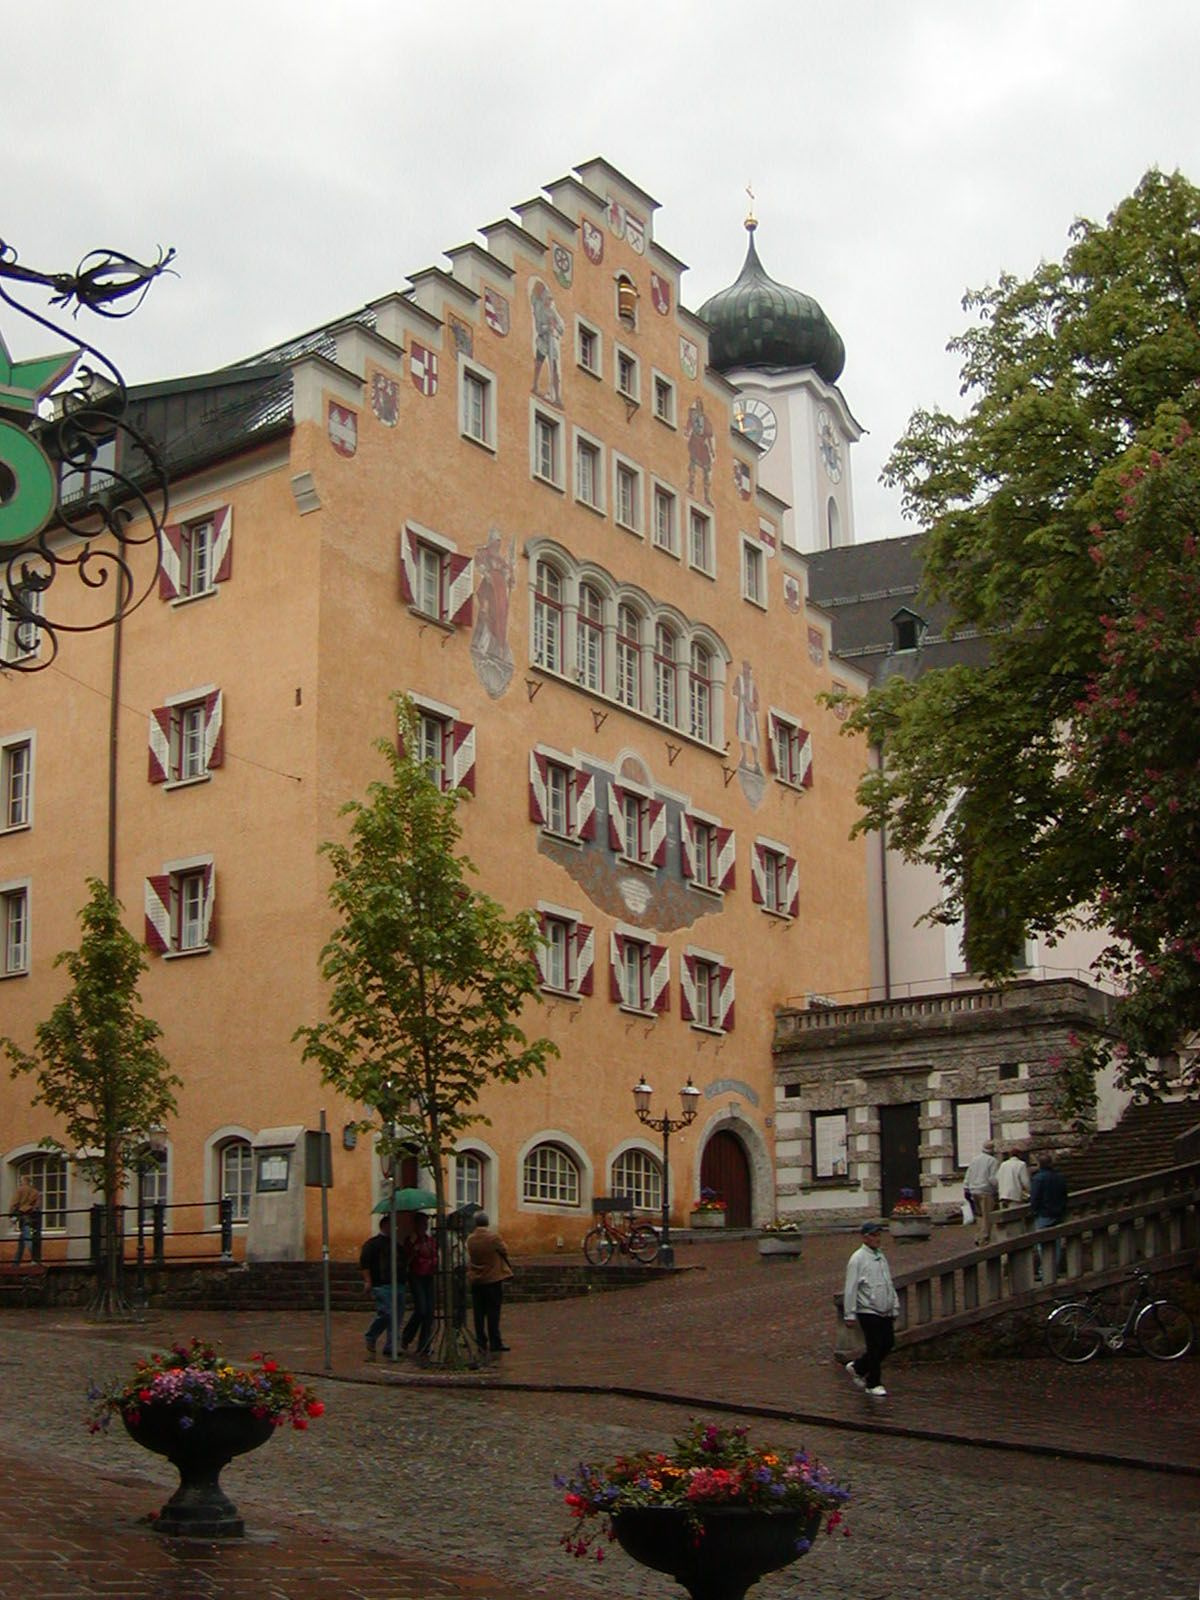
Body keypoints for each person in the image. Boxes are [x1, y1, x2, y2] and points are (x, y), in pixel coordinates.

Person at [843, 1222, 900, 1398]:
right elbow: (851, 1287)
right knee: (874, 1346)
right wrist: (849, 1313)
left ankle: (859, 1367)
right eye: (873, 1236)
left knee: (888, 1343)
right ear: (865, 1237)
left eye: (878, 1235)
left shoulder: (880, 1256)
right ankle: (873, 1382)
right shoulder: (857, 1258)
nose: (877, 1239)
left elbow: (887, 1282)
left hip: (885, 1308)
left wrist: (894, 1304)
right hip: (868, 1308)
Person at [466, 1211, 514, 1356]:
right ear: (487, 1222)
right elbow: (505, 1250)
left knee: (478, 1313)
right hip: (493, 1278)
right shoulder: (493, 1237)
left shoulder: (470, 1239)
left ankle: (481, 1341)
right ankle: (495, 1341)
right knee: (493, 1312)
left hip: (477, 1279)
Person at [359, 1213, 405, 1360]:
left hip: (397, 1284)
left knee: (396, 1316)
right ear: (384, 1226)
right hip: (381, 1284)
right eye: (392, 1226)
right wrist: (368, 1281)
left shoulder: (396, 1244)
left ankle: (391, 1345)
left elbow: (402, 1261)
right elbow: (364, 1264)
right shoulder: (372, 1244)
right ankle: (371, 1336)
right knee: (386, 1313)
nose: (395, 1229)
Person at [400, 1211, 437, 1357]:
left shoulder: (430, 1240)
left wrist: (434, 1263)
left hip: (429, 1275)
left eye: (426, 1224)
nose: (424, 1227)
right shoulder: (411, 1240)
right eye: (422, 1224)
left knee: (429, 1312)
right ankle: (407, 1336)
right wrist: (413, 1250)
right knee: (421, 1309)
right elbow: (405, 1260)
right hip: (416, 1275)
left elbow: (434, 1255)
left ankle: (424, 1344)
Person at [1030, 1152, 1069, 1280]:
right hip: (1058, 1212)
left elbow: (1035, 1198)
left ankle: (1045, 1270)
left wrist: (1034, 1210)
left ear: (1039, 1164)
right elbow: (1064, 1195)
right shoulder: (1059, 1177)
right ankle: (1054, 1269)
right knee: (1056, 1243)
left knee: (1042, 1243)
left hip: (1044, 1213)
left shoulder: (1038, 1178)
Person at [964, 1139, 1000, 1246]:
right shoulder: (993, 1161)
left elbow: (968, 1174)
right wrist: (998, 1189)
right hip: (985, 1191)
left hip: (973, 1190)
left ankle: (978, 1236)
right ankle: (984, 1238)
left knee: (979, 1215)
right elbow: (992, 1178)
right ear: (992, 1150)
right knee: (987, 1216)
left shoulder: (975, 1159)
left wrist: (966, 1187)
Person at [10, 1179, 40, 1266]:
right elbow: (37, 1206)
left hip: (22, 1215)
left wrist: (12, 1215)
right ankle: (16, 1262)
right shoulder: (35, 1192)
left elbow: (14, 1203)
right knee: (24, 1238)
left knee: (27, 1237)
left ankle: (34, 1259)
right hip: (32, 1215)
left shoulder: (19, 1190)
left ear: (23, 1182)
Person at [996, 1147, 1031, 1211]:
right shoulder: (1021, 1164)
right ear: (1020, 1155)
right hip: (1014, 1194)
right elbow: (1025, 1181)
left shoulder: (1003, 1164)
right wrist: (1030, 1191)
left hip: (1003, 1194)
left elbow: (997, 1177)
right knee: (1015, 1215)